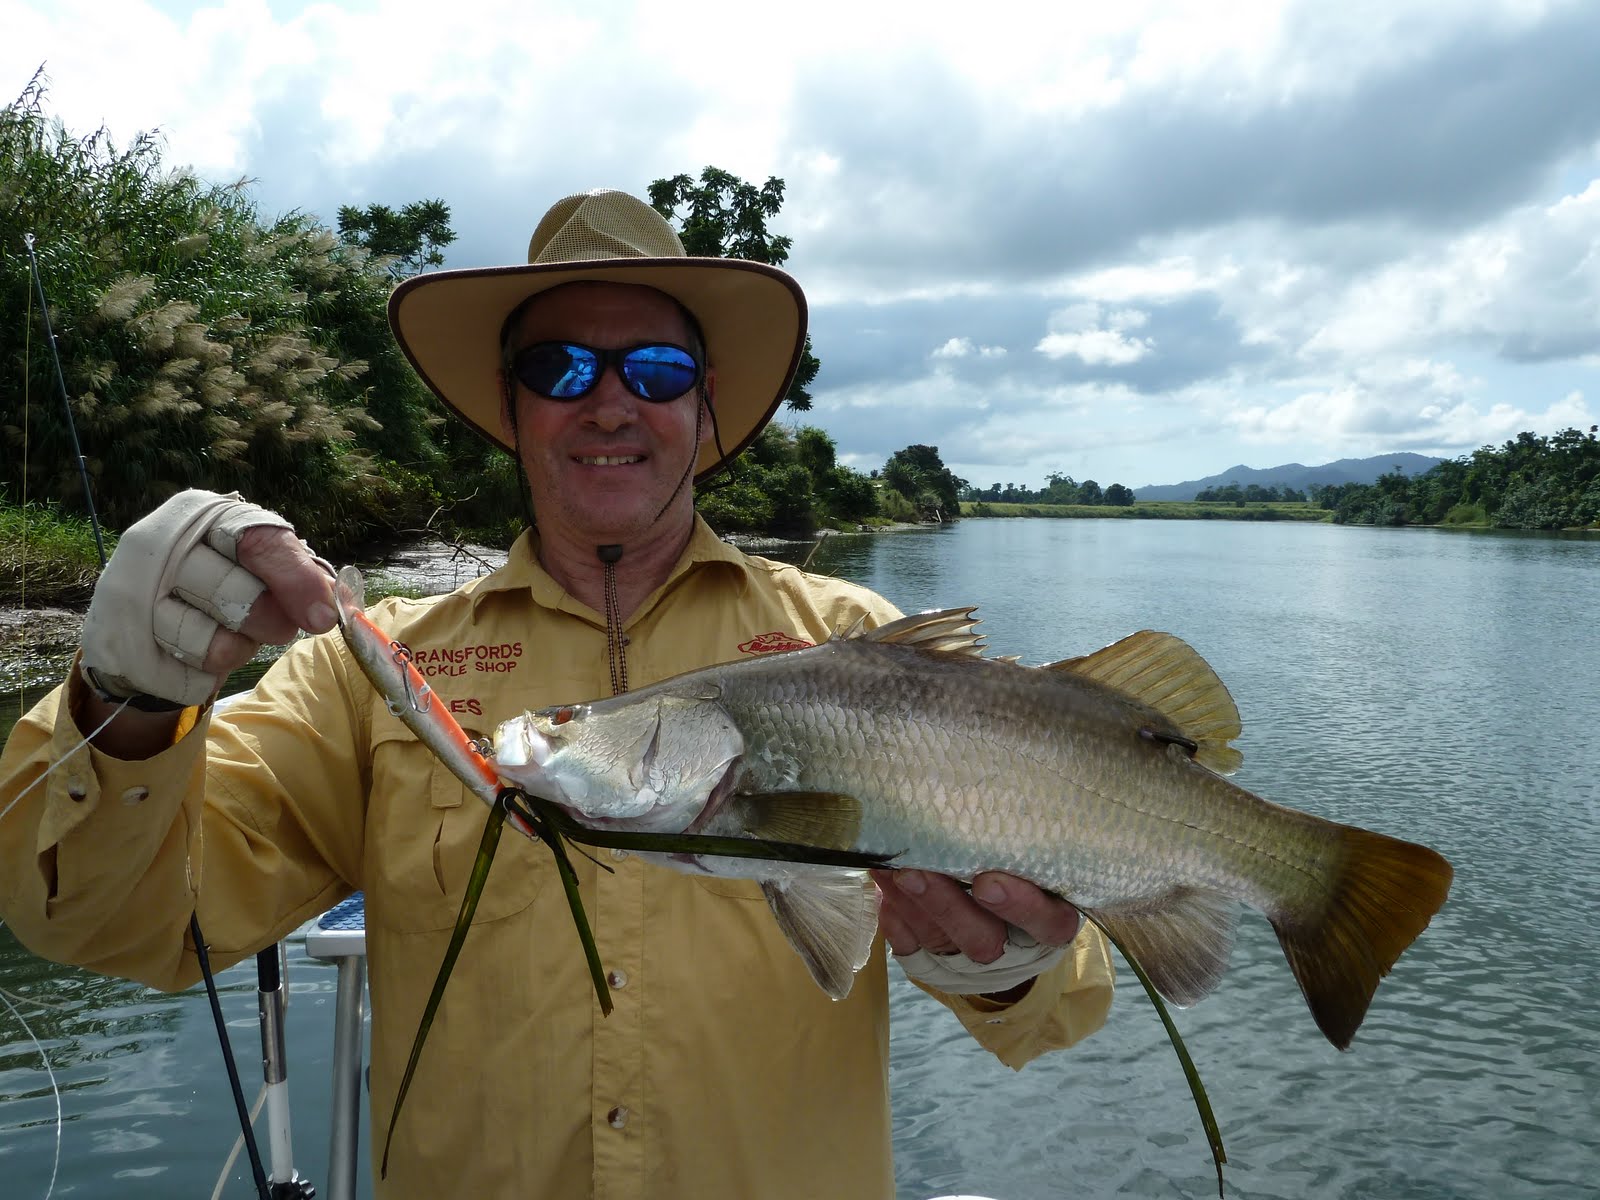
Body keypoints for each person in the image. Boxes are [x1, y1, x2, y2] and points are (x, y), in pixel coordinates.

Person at [0, 189, 1114, 1199]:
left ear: (707, 405)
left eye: (658, 373)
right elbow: (119, 926)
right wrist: (124, 703)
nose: (611, 403)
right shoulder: (370, 671)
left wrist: (1012, 963)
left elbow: (1062, 1007)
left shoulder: (854, 646)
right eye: (562, 370)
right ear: (511, 403)